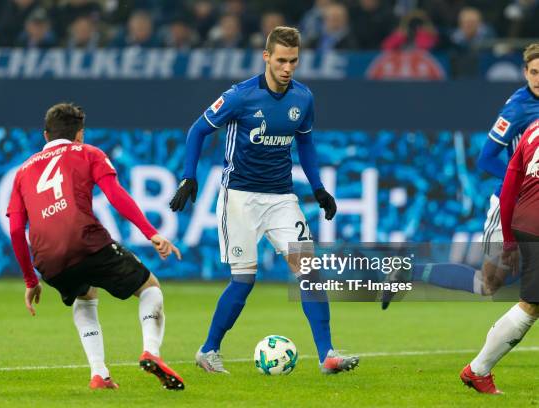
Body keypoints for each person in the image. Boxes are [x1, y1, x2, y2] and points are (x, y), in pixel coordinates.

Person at [169, 26, 359, 374]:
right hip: (239, 198)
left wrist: (317, 187)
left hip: (281, 198)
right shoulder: (239, 97)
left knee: (310, 271)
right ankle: (208, 350)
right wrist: (189, 176)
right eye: (282, 60)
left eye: (294, 61)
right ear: (266, 57)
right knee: (244, 279)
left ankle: (326, 355)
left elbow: (305, 143)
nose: (288, 68)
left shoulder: (303, 98)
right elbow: (197, 130)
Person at [7, 103, 184, 390]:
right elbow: (115, 195)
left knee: (85, 295)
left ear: (45, 135)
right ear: (80, 134)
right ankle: (151, 350)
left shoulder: (22, 172)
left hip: (47, 260)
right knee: (149, 287)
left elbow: (16, 229)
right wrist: (151, 233)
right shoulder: (88, 153)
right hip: (85, 241)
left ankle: (99, 374)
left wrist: (30, 279)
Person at [381, 43, 539, 309]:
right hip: (513, 204)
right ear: (524, 72)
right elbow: (486, 158)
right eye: (534, 72)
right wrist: (522, 184)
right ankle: (409, 272)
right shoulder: (518, 109)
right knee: (490, 283)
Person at [460, 118, 539, 394]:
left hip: (525, 221)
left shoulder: (532, 130)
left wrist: (508, 240)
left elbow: (508, 189)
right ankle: (478, 369)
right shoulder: (519, 110)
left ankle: (478, 370)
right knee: (530, 306)